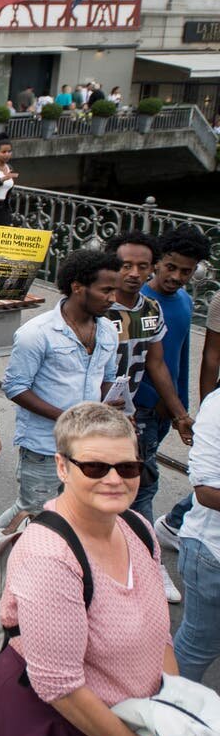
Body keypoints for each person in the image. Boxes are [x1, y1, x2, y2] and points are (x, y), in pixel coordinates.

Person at [0, 402, 177, 736]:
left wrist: (172, 713)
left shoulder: (138, 528)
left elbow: (160, 637)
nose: (114, 479)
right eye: (95, 467)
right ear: (62, 467)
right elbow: (60, 686)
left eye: (128, 467)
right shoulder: (50, 557)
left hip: (137, 725)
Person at [1, 249, 121, 517]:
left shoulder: (109, 331)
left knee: (72, 514)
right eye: (106, 290)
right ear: (78, 287)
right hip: (44, 445)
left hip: (87, 446)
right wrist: (67, 417)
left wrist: (107, 405)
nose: (113, 298)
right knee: (32, 514)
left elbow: (108, 377)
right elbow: (15, 387)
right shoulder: (36, 333)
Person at [132, 226, 209, 539]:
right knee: (145, 486)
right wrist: (172, 408)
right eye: (171, 267)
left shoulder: (184, 301)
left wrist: (180, 404)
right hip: (142, 407)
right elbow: (147, 362)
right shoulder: (140, 301)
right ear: (157, 263)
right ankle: (148, 556)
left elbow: (181, 356)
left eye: (186, 271)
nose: (177, 277)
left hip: (167, 409)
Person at [173, 386, 220, 681]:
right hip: (212, 556)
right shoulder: (217, 408)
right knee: (199, 645)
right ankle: (171, 714)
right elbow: (206, 492)